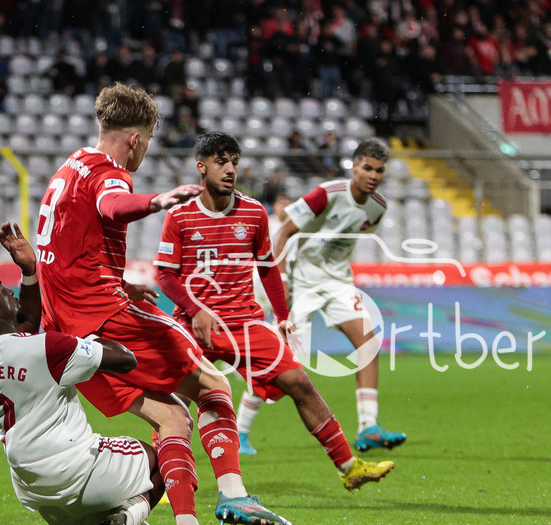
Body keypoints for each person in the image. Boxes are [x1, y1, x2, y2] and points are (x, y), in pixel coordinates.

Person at [35, 83, 294, 525]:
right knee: (214, 386)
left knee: (172, 420)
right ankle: (235, 494)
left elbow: (71, 249)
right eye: (148, 141)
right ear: (134, 139)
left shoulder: (68, 169)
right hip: (106, 321)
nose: (145, 151)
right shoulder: (109, 174)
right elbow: (113, 207)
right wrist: (158, 201)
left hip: (70, 340)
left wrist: (121, 281)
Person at [153, 132, 395, 490]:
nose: (230, 169)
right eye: (221, 162)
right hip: (194, 326)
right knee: (175, 406)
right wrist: (195, 308)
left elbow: (266, 267)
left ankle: (349, 466)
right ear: (201, 167)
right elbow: (164, 274)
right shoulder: (180, 216)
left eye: (234, 161)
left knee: (299, 382)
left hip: (245, 324)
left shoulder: (252, 213)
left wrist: (281, 316)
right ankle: (159, 484)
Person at [0, 222, 167, 525]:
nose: (10, 293)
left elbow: (25, 326)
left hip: (38, 491)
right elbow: (126, 358)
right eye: (1, 291)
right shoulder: (48, 349)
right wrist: (86, 329)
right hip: (79, 470)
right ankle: (125, 518)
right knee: (162, 454)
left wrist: (30, 271)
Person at [242, 139, 407, 453]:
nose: (372, 175)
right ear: (354, 167)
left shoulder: (377, 208)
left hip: (337, 283)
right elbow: (284, 232)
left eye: (379, 170)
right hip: (301, 280)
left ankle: (368, 426)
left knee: (369, 343)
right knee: (279, 360)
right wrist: (283, 279)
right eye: (367, 167)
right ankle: (241, 430)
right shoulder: (326, 194)